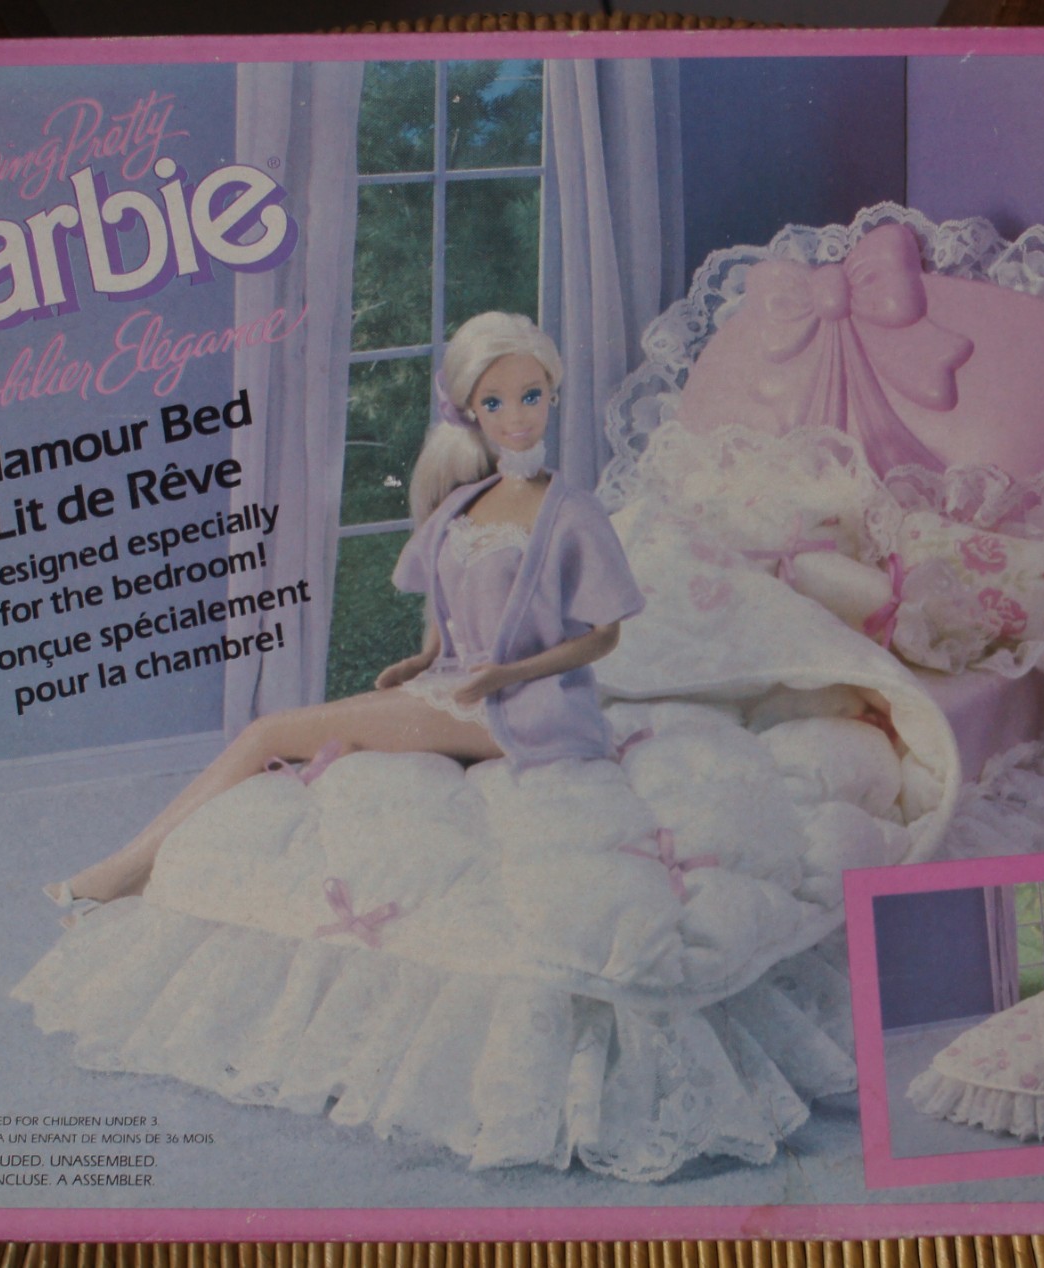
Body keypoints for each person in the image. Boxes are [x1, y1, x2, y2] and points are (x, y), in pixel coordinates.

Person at [49, 312, 643, 908]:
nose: (516, 417)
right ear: (471, 410)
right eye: (495, 402)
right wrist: (425, 657)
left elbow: (605, 635)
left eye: (531, 396)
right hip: (458, 688)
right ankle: (143, 868)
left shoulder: (572, 512)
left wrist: (505, 675)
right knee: (297, 737)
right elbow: (457, 601)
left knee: (270, 733)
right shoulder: (467, 501)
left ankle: (118, 875)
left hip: (524, 710)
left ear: (552, 393)